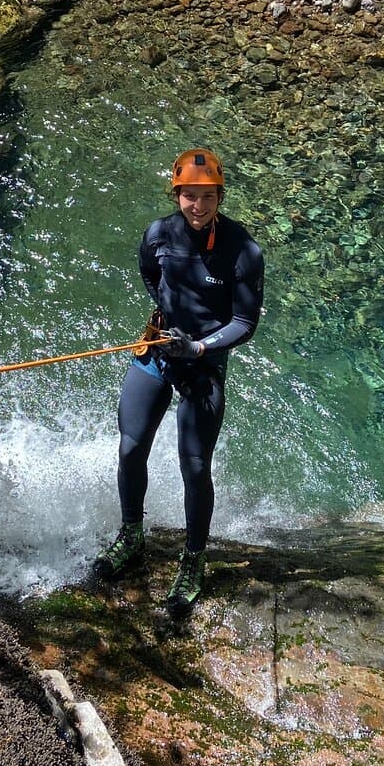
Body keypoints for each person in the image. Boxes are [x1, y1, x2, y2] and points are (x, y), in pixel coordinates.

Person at [94, 148, 265, 613]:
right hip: (159, 348)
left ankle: (193, 559)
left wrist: (201, 347)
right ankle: (131, 534)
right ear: (177, 195)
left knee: (194, 465)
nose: (198, 206)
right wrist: (168, 323)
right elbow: (151, 274)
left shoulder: (243, 249)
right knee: (131, 446)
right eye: (189, 196)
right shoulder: (158, 235)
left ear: (220, 196)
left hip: (204, 360)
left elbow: (245, 322)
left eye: (207, 197)